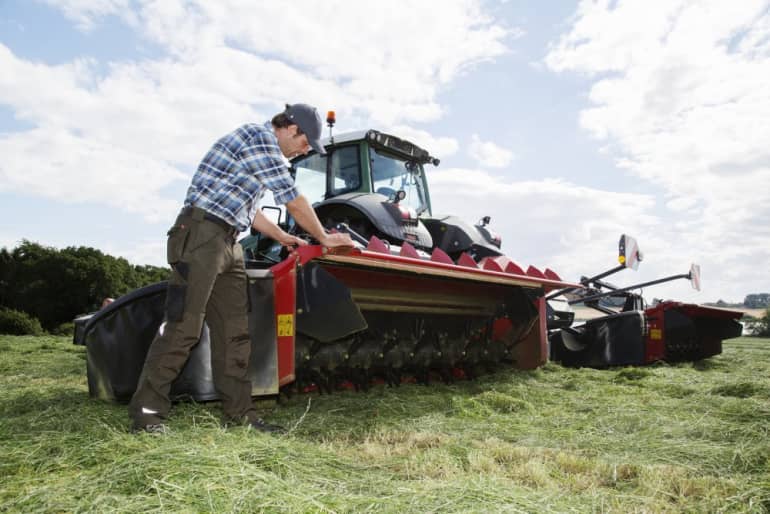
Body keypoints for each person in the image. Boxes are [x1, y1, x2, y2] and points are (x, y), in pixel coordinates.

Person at [129, 103, 353, 434]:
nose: (304, 151)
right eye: (305, 144)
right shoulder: (257, 137)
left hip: (229, 242)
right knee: (183, 327)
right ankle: (146, 414)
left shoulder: (257, 154)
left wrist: (281, 235)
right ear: (291, 129)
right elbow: (290, 196)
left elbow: (250, 212)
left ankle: (240, 415)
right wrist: (323, 236)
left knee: (235, 333)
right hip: (201, 234)